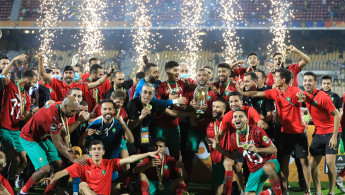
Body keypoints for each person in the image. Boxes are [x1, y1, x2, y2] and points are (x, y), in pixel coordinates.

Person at [241, 68, 312, 194]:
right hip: (285, 133)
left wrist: (303, 97)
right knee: (284, 163)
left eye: (276, 77)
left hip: (299, 133)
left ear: (283, 80)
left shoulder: (295, 91)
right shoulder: (275, 92)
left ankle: (308, 190)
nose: (274, 79)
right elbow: (256, 94)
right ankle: (284, 190)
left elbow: (302, 96)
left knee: (304, 162)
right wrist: (240, 92)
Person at [18, 96, 86, 194]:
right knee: (44, 169)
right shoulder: (52, 118)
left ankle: (48, 193)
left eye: (75, 111)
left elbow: (58, 135)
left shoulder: (60, 105)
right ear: (65, 106)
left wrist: (67, 148)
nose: (73, 114)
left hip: (42, 137)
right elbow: (56, 142)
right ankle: (22, 192)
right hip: (30, 138)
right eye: (72, 111)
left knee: (62, 168)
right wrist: (73, 159)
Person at [45, 140, 160, 195]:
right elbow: (63, 173)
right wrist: (52, 179)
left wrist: (148, 154)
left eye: (99, 149)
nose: (96, 151)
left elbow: (130, 159)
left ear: (103, 152)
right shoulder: (83, 164)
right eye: (94, 149)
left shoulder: (109, 163)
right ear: (90, 152)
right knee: (82, 185)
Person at [210, 109, 283, 195]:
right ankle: (270, 192)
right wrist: (218, 149)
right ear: (232, 121)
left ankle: (279, 193)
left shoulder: (257, 130)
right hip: (254, 170)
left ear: (246, 120)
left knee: (267, 167)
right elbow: (233, 156)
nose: (237, 118)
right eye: (235, 117)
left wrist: (257, 150)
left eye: (241, 116)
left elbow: (274, 149)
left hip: (269, 162)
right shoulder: (233, 138)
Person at [297, 72, 340, 195]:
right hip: (318, 132)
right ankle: (318, 191)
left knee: (330, 162)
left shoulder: (324, 97)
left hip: (332, 131)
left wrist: (334, 137)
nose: (307, 83)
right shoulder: (304, 94)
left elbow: (336, 115)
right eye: (305, 80)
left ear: (315, 83)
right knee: (312, 164)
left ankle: (331, 192)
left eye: (310, 81)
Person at [215, 91, 268, 192]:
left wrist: (261, 123)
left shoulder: (250, 110)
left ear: (241, 102)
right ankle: (243, 190)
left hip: (254, 145)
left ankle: (259, 191)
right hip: (239, 145)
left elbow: (259, 121)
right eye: (231, 101)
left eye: (236, 101)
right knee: (236, 166)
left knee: (257, 172)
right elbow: (220, 134)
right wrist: (216, 138)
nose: (233, 103)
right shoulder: (228, 116)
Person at [0, 54, 36, 189]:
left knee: (24, 162)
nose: (33, 85)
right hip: (4, 128)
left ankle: (10, 180)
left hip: (16, 131)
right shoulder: (11, 86)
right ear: (27, 79)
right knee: (14, 159)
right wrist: (14, 60)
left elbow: (23, 117)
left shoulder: (27, 97)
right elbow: (2, 76)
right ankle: (8, 185)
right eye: (32, 82)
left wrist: (32, 113)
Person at [206, 100, 233, 195]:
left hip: (230, 157)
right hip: (216, 161)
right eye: (213, 107)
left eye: (218, 107)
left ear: (224, 110)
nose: (214, 109)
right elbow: (215, 140)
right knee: (218, 191)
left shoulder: (231, 122)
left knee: (229, 163)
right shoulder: (210, 125)